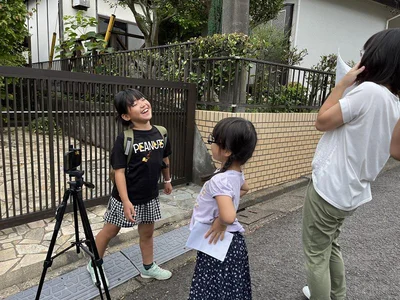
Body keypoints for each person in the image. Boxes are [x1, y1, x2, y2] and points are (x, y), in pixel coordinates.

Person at [302, 28, 400, 300]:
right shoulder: (395, 103)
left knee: (315, 254)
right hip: (353, 191)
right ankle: (337, 294)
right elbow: (394, 151)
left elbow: (322, 121)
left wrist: (342, 84)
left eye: (364, 53)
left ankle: (323, 294)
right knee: (330, 245)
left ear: (377, 58)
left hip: (330, 187)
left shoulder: (368, 91)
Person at [87, 88, 173, 289]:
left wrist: (167, 180)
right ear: (126, 115)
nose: (143, 103)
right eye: (134, 104)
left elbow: (165, 158)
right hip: (124, 198)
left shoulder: (161, 132)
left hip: (150, 195)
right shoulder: (124, 139)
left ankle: (148, 267)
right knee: (110, 231)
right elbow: (119, 172)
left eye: (143, 99)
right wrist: (126, 201)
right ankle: (94, 263)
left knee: (147, 233)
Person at [188, 117, 258, 300]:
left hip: (219, 242)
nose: (210, 144)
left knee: (212, 287)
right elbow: (244, 188)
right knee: (229, 287)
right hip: (232, 244)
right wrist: (227, 201)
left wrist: (220, 222)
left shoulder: (220, 180)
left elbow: (227, 216)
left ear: (226, 150)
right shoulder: (235, 174)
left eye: (213, 141)